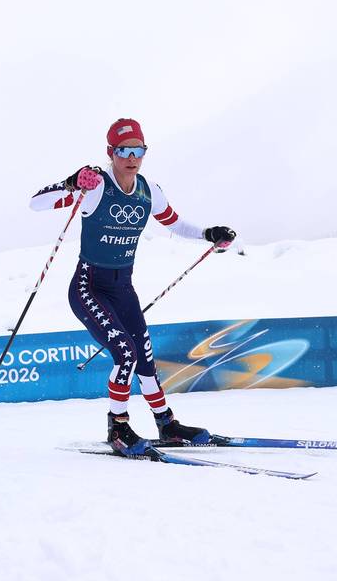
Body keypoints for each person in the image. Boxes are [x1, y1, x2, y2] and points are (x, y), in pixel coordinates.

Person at [29, 118, 236, 457]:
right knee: (125, 354)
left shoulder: (149, 191)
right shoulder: (95, 186)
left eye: (138, 150)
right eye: (123, 150)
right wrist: (70, 183)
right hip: (89, 286)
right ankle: (118, 427)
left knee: (146, 359)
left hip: (123, 287)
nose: (131, 157)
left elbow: (176, 223)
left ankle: (166, 424)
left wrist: (208, 234)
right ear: (111, 152)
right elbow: (35, 203)